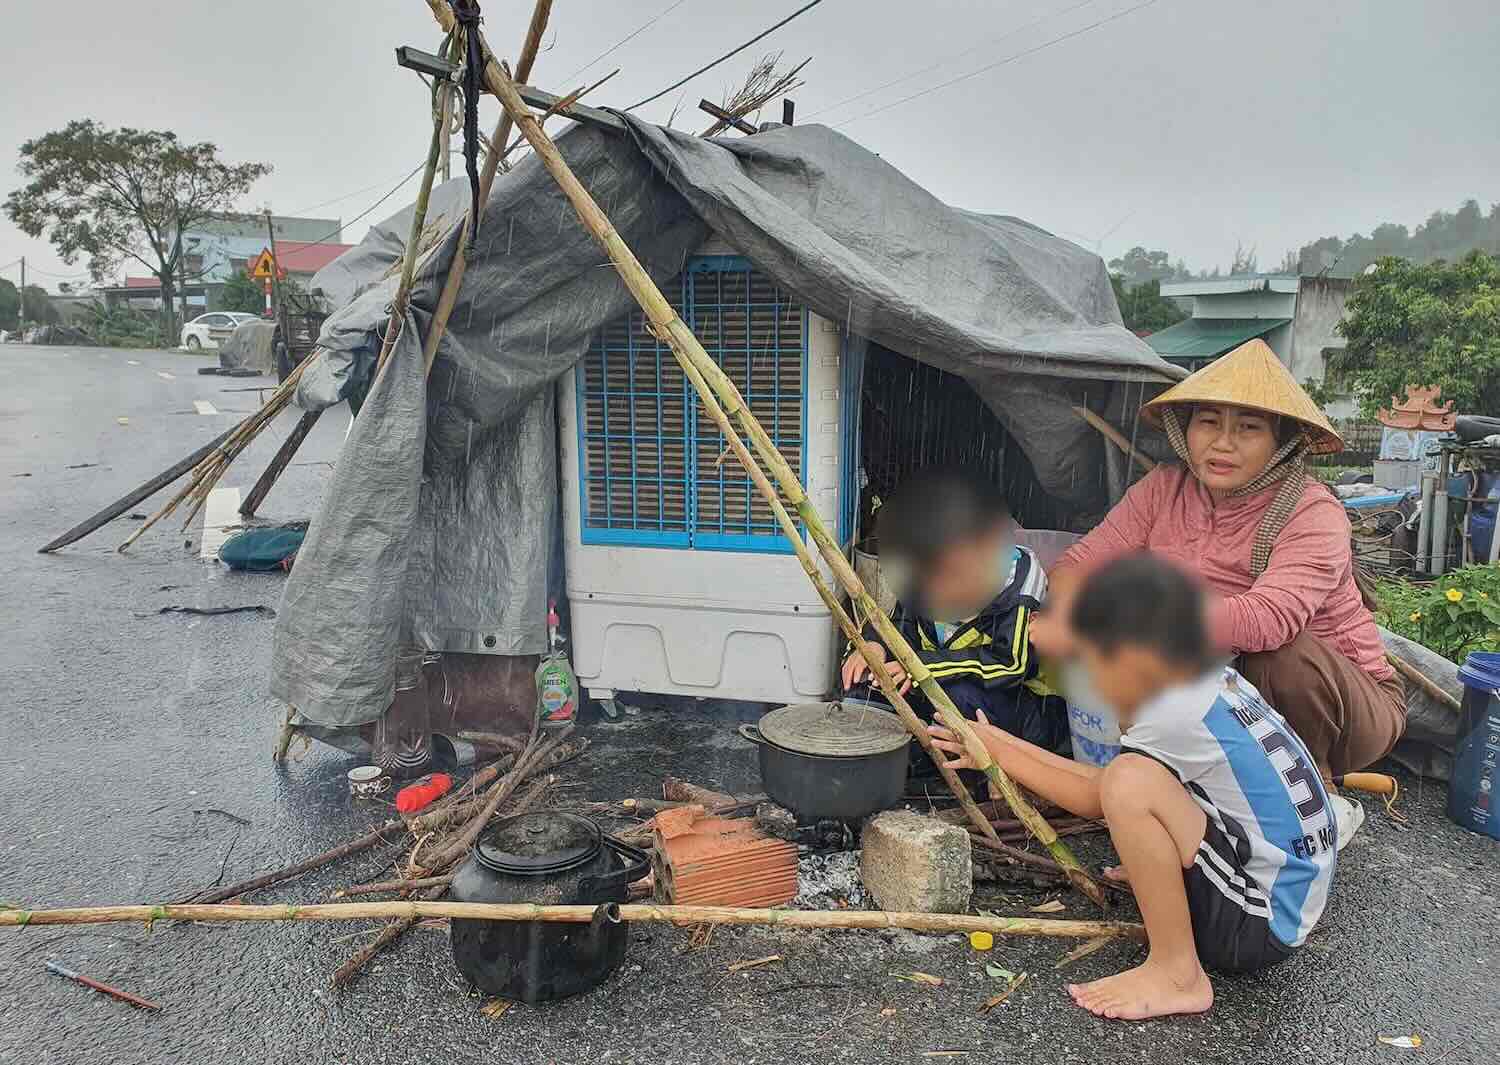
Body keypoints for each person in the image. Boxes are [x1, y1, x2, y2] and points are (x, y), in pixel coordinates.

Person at [1030, 338, 1404, 844]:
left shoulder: (1312, 511)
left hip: (1344, 703)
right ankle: (1184, 821)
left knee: (1279, 657)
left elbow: (1268, 619)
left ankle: (1310, 805)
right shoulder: (1164, 489)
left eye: (1248, 428)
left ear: (1283, 442)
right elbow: (1080, 562)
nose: (1223, 443)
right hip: (1213, 680)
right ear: (1185, 431)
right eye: (1209, 422)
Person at [930, 554, 1335, 1020]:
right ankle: (1167, 883)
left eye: (1091, 664)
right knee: (1133, 780)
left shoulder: (1172, 712)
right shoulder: (1205, 684)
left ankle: (1178, 974)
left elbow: (1099, 794)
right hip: (1279, 897)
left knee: (1130, 783)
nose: (1093, 685)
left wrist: (998, 751)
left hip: (1257, 924)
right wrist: (996, 742)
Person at [839, 467, 1068, 752]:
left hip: (1020, 713)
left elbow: (1011, 663)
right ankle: (877, 753)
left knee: (957, 698)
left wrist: (919, 667)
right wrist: (873, 646)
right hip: (934, 677)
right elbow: (900, 625)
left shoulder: (1019, 589)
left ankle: (959, 768)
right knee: (866, 680)